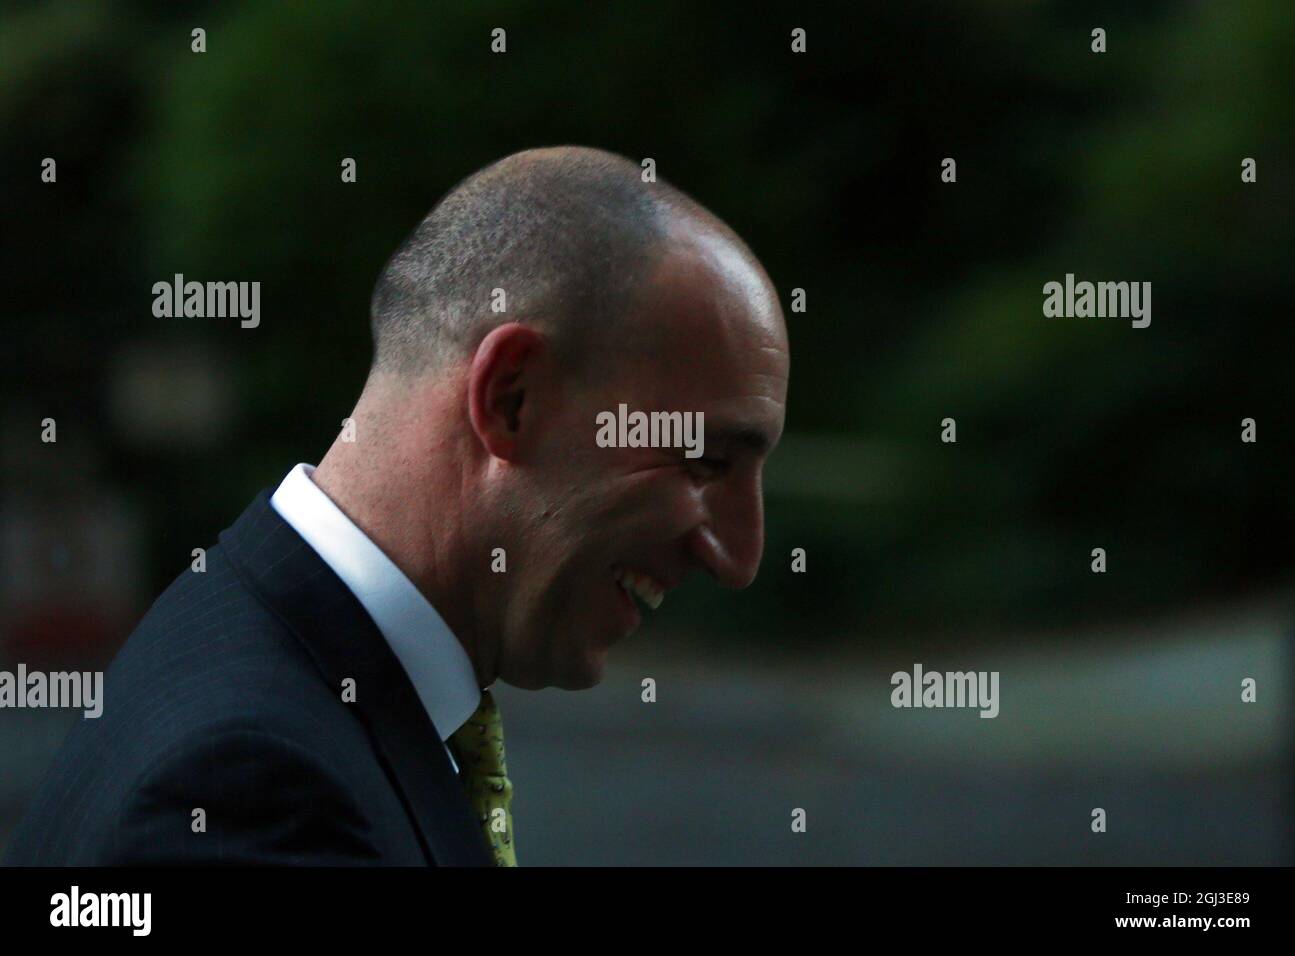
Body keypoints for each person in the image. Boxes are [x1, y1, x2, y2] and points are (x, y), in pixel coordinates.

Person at [3, 146, 789, 866]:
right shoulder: (253, 785)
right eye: (706, 460)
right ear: (511, 397)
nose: (740, 557)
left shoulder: (266, 671)